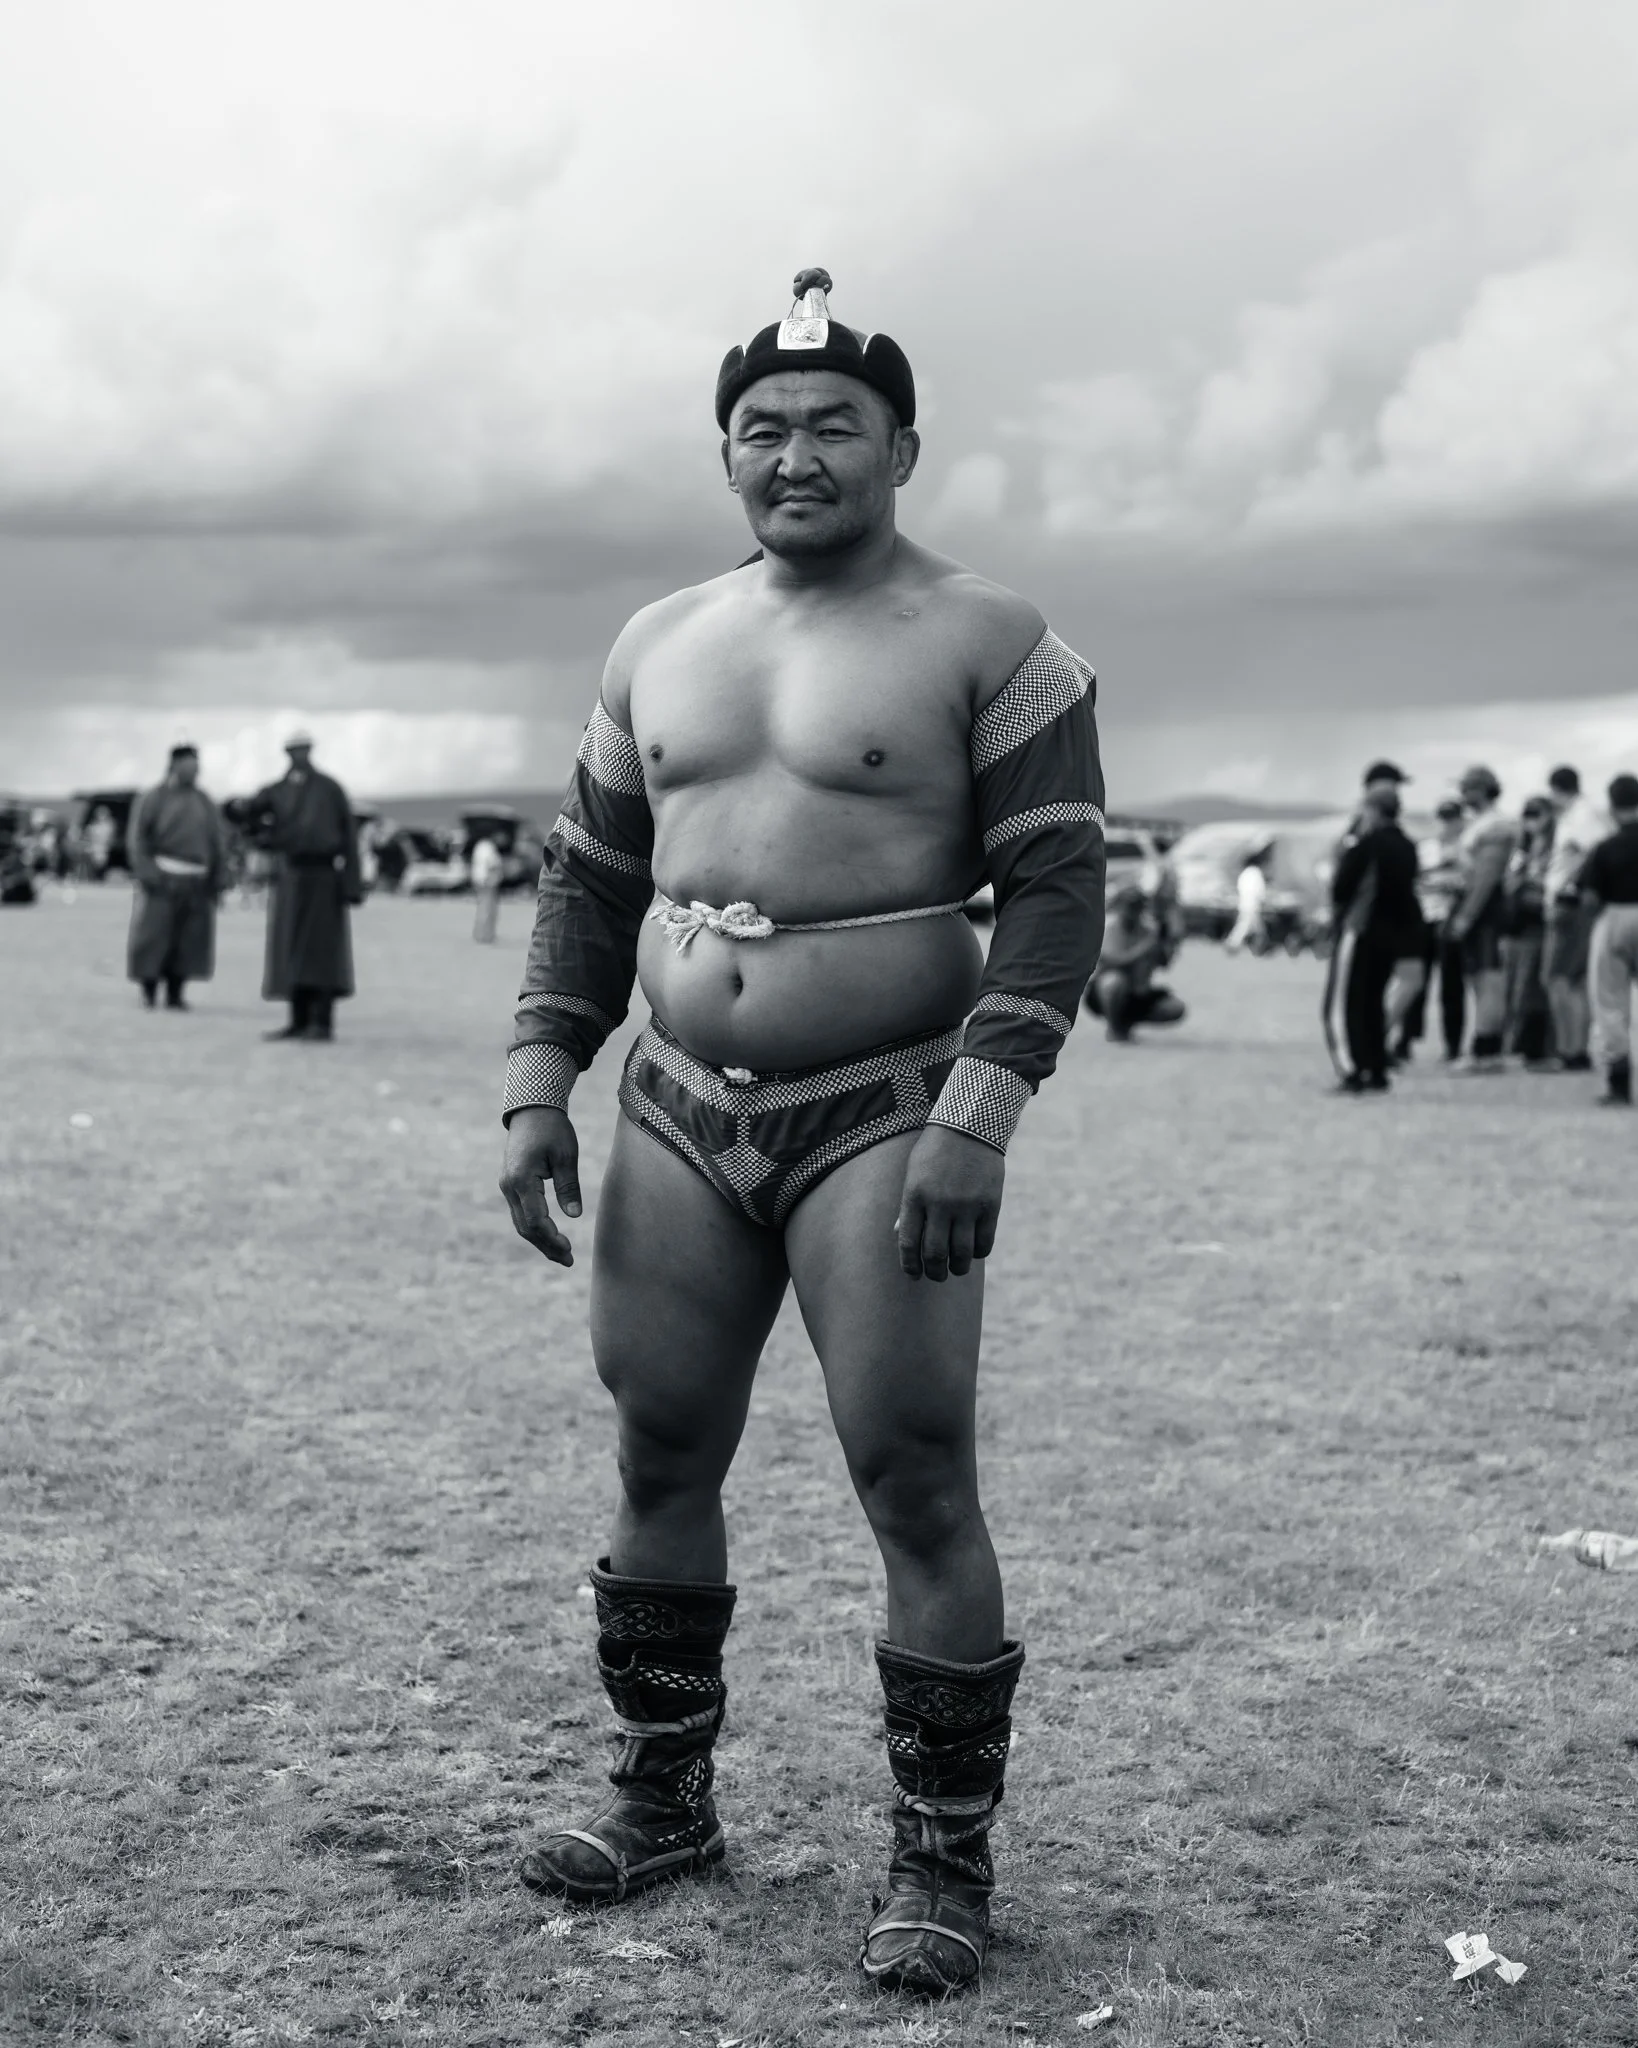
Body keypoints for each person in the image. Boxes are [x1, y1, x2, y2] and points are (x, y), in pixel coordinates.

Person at [496, 269, 1105, 1994]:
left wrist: (980, 1110)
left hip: (888, 1105)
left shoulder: (993, 639)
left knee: (911, 1472)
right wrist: (538, 1075)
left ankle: (939, 1859)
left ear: (900, 448)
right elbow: (591, 877)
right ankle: (661, 1801)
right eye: (760, 427)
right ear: (725, 453)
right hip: (676, 1105)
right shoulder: (655, 640)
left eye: (834, 423)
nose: (795, 452)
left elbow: (1057, 886)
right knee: (658, 1451)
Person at [253, 731, 363, 1041]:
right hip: (290, 876)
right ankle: (298, 1019)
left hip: (324, 877)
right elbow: (250, 816)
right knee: (290, 947)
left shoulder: (330, 789)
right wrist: (262, 835)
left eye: (303, 749)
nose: (299, 754)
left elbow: (349, 838)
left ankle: (322, 1022)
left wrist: (352, 884)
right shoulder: (276, 791)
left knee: (322, 950)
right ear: (287, 753)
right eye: (293, 750)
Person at [1325, 772, 1424, 1092]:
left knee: (1346, 1004)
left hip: (1360, 928)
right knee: (1374, 1001)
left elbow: (1341, 887)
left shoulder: (1367, 845)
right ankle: (1376, 1066)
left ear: (1373, 810)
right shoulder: (1407, 846)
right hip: (1391, 933)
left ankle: (1352, 1068)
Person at [125, 745, 228, 1010]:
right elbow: (139, 839)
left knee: (189, 940)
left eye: (196, 765)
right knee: (154, 937)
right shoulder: (153, 798)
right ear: (174, 765)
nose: (194, 770)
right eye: (189, 764)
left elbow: (218, 842)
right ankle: (149, 989)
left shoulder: (204, 801)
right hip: (163, 876)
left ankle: (176, 992)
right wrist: (148, 873)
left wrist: (218, 879)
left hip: (197, 879)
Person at [1446, 765, 1517, 1071]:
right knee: (1479, 978)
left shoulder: (1495, 826)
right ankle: (1486, 1046)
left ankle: (1486, 1049)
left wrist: (1467, 914)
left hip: (1487, 909)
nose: (1462, 795)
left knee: (1489, 979)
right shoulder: (1481, 824)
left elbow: (1487, 876)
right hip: (1479, 905)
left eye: (1467, 788)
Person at [1540, 764, 1605, 1073]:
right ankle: (1576, 1050)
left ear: (1557, 789)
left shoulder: (1581, 817)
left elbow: (1592, 852)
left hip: (1570, 907)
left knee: (1556, 978)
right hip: (1576, 906)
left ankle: (1570, 1049)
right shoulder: (1580, 814)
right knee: (1574, 980)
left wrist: (1569, 888)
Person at [1581, 772, 1638, 1107]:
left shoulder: (1605, 847)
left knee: (1610, 1001)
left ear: (1613, 806)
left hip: (1615, 914)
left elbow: (1589, 897)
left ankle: (1619, 1081)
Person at [1396, 797, 1467, 1061]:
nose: (1448, 824)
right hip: (1425, 918)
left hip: (1450, 920)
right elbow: (1413, 879)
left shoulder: (1466, 848)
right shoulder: (1425, 849)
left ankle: (1453, 1044)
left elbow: (1467, 882)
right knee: (1416, 983)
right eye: (1444, 819)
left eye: (1452, 818)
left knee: (1452, 986)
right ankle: (1406, 1039)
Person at [1085, 886, 1186, 1039]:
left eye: (1137, 906)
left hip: (1138, 991)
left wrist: (1167, 942)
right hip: (1105, 991)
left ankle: (1127, 1021)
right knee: (1113, 983)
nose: (1132, 911)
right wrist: (1147, 946)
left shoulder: (1148, 930)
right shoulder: (1109, 928)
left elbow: (1164, 963)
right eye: (1129, 906)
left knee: (1176, 1008)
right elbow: (1115, 961)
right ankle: (1115, 1027)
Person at [1501, 796, 1554, 1063]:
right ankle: (1514, 1042)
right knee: (1512, 988)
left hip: (1536, 925)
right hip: (1515, 926)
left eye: (1537, 814)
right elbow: (1510, 881)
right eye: (1528, 814)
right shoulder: (1521, 847)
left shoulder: (1553, 847)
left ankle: (1535, 1045)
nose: (1532, 821)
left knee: (1532, 988)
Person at [1223, 847, 1268, 953]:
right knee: (1245, 926)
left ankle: (1260, 945)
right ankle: (1233, 943)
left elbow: (1240, 888)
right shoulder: (1256, 873)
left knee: (1253, 926)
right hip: (1253, 904)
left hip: (1244, 903)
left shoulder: (1244, 873)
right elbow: (1259, 889)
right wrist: (1263, 899)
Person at [470, 833, 504, 943]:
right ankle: (486, 935)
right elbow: (492, 864)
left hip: (478, 879)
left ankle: (479, 934)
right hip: (488, 880)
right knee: (488, 909)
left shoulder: (479, 845)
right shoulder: (489, 847)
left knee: (481, 907)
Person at [83, 805, 116, 881]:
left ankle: (100, 878)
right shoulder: (94, 825)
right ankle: (94, 878)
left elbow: (108, 837)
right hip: (95, 848)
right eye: (100, 814)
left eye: (103, 814)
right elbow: (88, 835)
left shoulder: (109, 825)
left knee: (101, 865)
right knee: (94, 866)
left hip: (103, 848)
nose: (101, 816)